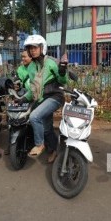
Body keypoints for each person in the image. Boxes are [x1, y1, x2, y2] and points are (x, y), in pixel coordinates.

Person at [15, 35, 68, 163]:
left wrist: (62, 72)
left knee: (34, 117)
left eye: (35, 47)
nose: (32, 50)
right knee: (47, 128)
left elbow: (63, 81)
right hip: (41, 99)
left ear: (42, 48)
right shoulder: (32, 67)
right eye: (30, 48)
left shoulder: (52, 62)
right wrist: (22, 99)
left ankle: (39, 144)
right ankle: (55, 149)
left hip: (54, 96)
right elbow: (33, 88)